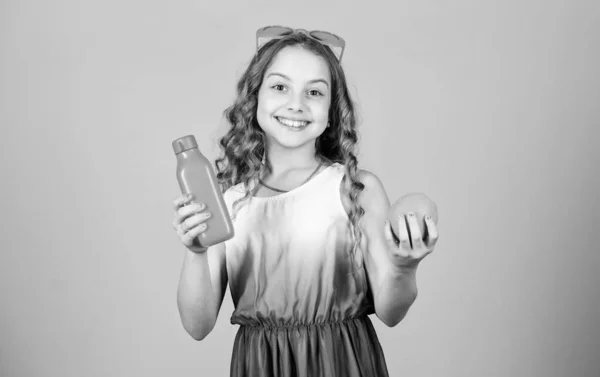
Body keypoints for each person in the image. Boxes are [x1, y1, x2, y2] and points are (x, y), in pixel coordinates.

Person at [171, 25, 439, 377]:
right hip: (259, 366)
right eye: (280, 86)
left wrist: (405, 266)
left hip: (342, 363)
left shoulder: (355, 189)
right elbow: (197, 325)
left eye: (314, 92)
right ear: (255, 98)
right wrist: (195, 253)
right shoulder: (229, 200)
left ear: (332, 111)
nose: (296, 104)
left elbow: (391, 312)